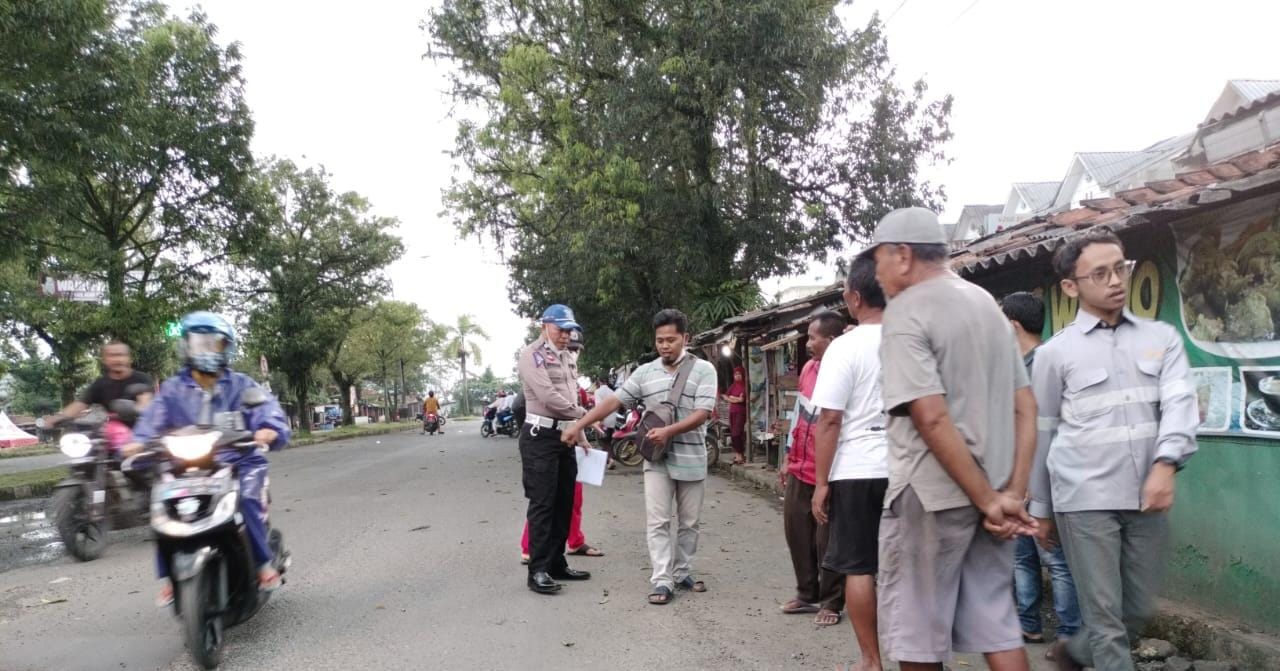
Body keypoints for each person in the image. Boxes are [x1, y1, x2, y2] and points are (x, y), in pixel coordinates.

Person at [866, 207, 1038, 671]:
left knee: (918, 636)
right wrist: (1009, 495)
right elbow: (1027, 407)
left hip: (931, 496)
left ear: (902, 255)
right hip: (997, 494)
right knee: (997, 626)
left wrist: (986, 500)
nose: (875, 272)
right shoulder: (987, 304)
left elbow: (931, 418)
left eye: (878, 258)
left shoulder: (906, 311)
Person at [1030, 228, 1198, 671]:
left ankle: (1074, 653)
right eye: (1099, 273)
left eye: (1120, 268)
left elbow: (1181, 403)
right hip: (1083, 498)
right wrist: (1042, 508)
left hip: (1146, 493)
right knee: (1104, 617)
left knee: (1137, 608)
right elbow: (1043, 431)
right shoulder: (1054, 354)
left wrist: (1166, 464)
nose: (1116, 281)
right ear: (1071, 286)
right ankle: (1097, 652)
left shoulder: (1162, 338)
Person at [125, 312, 291, 607]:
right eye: (198, 342)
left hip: (238, 459)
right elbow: (153, 419)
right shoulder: (173, 388)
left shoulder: (241, 384)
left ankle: (263, 564)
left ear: (225, 347)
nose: (204, 349)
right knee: (160, 508)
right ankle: (167, 578)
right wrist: (137, 443)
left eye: (212, 343)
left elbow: (267, 410)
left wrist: (268, 429)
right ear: (186, 346)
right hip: (184, 464)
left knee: (249, 500)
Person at [564, 309, 717, 605]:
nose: (665, 345)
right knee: (657, 522)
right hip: (656, 460)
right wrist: (580, 424)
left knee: (689, 523)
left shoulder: (703, 370)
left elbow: (704, 413)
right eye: (660, 340)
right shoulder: (645, 372)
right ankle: (662, 579)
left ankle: (682, 571)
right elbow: (614, 401)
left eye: (671, 340)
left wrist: (669, 431)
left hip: (692, 457)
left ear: (685, 338)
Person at [809, 256, 890, 671]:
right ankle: (920, 657)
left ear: (855, 297)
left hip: (857, 469)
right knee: (908, 567)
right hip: (908, 469)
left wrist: (822, 483)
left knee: (859, 568)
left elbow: (830, 419)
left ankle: (870, 660)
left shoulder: (845, 347)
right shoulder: (912, 338)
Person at [1000, 291, 1081, 652]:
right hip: (1017, 484)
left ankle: (1069, 637)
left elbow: (1052, 431)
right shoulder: (1012, 368)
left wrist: (1033, 481)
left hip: (1045, 485)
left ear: (1013, 324)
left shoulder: (1047, 365)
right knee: (1022, 558)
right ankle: (1029, 626)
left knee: (1055, 560)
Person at [517, 304, 593, 594]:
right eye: (560, 329)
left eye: (569, 330)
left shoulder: (566, 357)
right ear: (544, 326)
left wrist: (582, 435)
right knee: (543, 503)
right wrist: (585, 416)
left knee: (564, 502)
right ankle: (537, 570)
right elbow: (548, 397)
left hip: (566, 436)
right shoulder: (532, 355)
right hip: (540, 437)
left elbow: (571, 398)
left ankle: (556, 563)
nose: (566, 335)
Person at [778, 310, 847, 627]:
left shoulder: (846, 370)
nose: (808, 342)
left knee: (827, 539)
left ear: (831, 340)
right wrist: (787, 456)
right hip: (800, 464)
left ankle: (832, 601)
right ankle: (807, 593)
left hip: (831, 469)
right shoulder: (808, 369)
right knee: (797, 531)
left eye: (814, 336)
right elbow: (799, 415)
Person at [46, 341, 153, 426]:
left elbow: (145, 403)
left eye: (121, 355)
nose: (118, 360)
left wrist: (136, 409)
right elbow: (80, 404)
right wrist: (58, 418)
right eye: (112, 356)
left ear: (129, 358)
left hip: (142, 433)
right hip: (113, 434)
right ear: (105, 360)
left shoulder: (142, 378)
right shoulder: (100, 384)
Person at [725, 367, 747, 465]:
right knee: (733, 433)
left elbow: (742, 400)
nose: (737, 376)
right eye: (736, 374)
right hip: (732, 412)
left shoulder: (745, 386)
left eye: (739, 374)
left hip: (741, 412)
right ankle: (739, 455)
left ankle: (740, 455)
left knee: (737, 433)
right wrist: (735, 398)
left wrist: (732, 398)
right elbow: (726, 396)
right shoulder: (733, 386)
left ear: (742, 375)